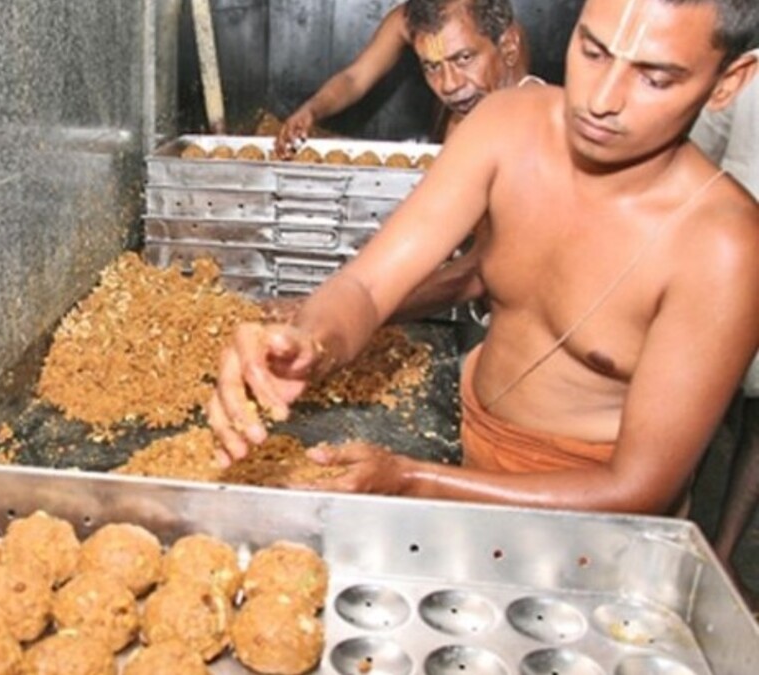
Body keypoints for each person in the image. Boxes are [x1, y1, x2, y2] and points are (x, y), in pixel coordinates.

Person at [208, 0, 759, 516]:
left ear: (727, 82)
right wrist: (310, 341)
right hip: (476, 458)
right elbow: (370, 287)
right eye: (592, 52)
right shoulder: (504, 126)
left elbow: (637, 487)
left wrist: (417, 480)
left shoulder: (723, 247)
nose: (601, 99)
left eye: (653, 77)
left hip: (595, 522)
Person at [275, 0, 532, 156]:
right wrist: (312, 110)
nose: (449, 84)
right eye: (431, 67)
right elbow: (355, 78)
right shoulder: (412, 19)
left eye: (464, 58)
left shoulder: (503, 42)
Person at [688, 53, 758, 599]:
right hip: (721, 273)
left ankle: (726, 549)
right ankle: (686, 530)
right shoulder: (748, 79)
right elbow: (695, 158)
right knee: (700, 410)